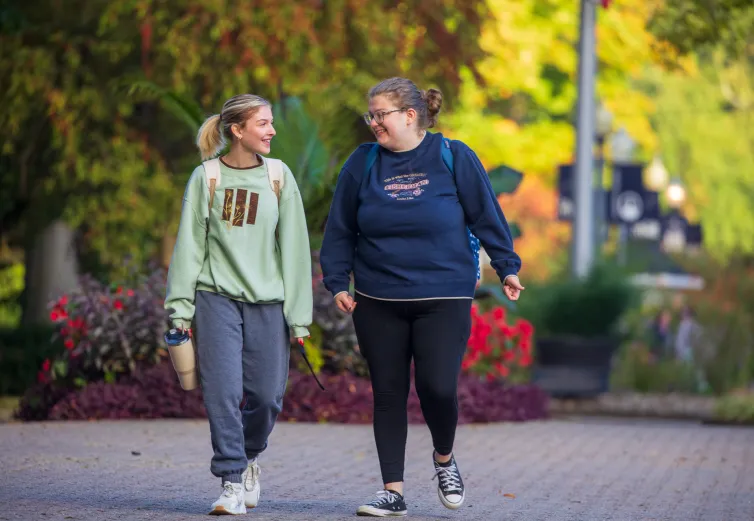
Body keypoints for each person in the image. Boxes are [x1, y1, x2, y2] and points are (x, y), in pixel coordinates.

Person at [320, 77, 524, 517]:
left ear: (410, 116)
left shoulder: (453, 156)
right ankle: (392, 490)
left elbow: (486, 213)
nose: (373, 122)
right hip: (378, 296)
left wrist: (507, 266)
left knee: (437, 387)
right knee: (388, 393)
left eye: (381, 114)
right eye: (370, 115)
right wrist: (337, 281)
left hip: (443, 294)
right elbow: (340, 228)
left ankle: (444, 459)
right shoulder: (362, 162)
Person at [164, 94, 312, 515]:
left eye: (271, 123)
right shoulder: (206, 176)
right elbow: (189, 248)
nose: (272, 130)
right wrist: (180, 309)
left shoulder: (279, 178)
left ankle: (248, 458)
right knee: (222, 394)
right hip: (216, 300)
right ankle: (230, 480)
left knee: (266, 397)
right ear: (237, 130)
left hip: (268, 302)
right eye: (263, 123)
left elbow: (296, 251)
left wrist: (299, 318)